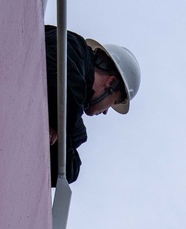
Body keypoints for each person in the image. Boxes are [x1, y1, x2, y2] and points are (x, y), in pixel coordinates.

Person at [44, 26, 141, 185]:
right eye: (114, 102)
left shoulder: (73, 114)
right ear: (111, 83)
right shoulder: (71, 47)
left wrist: (65, 130)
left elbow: (69, 169)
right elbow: (64, 86)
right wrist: (63, 127)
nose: (105, 112)